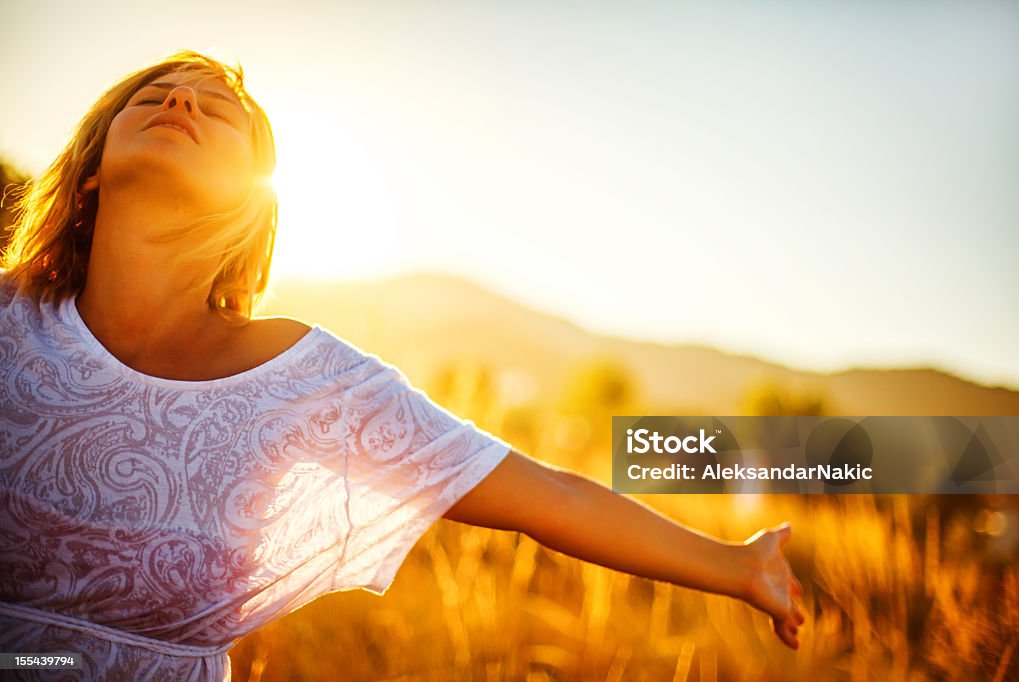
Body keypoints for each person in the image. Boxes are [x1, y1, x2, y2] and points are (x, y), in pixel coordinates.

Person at [0, 51, 805, 680]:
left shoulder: (305, 383)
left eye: (217, 110)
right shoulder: (8, 322)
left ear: (249, 203)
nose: (179, 103)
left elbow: (547, 494)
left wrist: (737, 564)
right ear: (95, 164)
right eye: (152, 97)